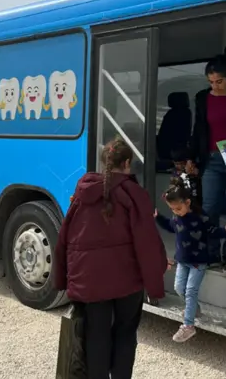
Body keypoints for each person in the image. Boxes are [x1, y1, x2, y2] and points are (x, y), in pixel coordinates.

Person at [54, 138, 167, 379]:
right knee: (125, 333)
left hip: (91, 282)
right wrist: (156, 278)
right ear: (127, 162)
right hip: (128, 282)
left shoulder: (83, 193)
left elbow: (65, 237)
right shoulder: (135, 194)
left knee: (96, 335)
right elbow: (147, 242)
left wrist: (62, 279)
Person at [155, 177, 226, 343]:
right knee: (179, 287)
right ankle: (194, 311)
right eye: (172, 209)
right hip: (182, 260)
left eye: (178, 208)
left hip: (198, 261)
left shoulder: (200, 217)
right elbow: (170, 226)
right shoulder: (176, 218)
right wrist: (158, 217)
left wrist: (225, 231)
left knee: (190, 290)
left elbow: (212, 231)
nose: (176, 212)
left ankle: (188, 325)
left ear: (188, 202)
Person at [187, 52, 226, 265]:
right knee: (210, 207)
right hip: (212, 159)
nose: (215, 86)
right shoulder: (203, 98)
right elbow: (199, 131)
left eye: (219, 81)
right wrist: (191, 158)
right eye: (211, 82)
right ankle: (212, 253)